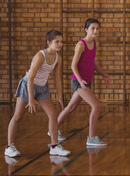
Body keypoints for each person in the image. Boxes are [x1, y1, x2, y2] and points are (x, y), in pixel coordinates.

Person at [5, 30, 71, 158]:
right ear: (48, 42)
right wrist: (30, 98)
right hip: (27, 85)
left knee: (53, 114)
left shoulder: (58, 58)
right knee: (18, 117)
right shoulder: (40, 56)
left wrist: (60, 97)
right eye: (57, 42)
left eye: (61, 41)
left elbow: (57, 78)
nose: (60, 44)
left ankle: (54, 146)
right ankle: (9, 147)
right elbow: (30, 78)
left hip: (42, 88)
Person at [57, 18, 110, 147]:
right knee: (97, 106)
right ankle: (91, 138)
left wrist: (103, 74)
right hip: (79, 81)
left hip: (86, 81)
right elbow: (73, 65)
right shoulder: (81, 44)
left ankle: (53, 129)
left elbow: (92, 63)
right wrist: (80, 81)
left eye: (97, 28)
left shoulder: (94, 43)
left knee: (70, 107)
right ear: (86, 29)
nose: (95, 31)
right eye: (92, 28)